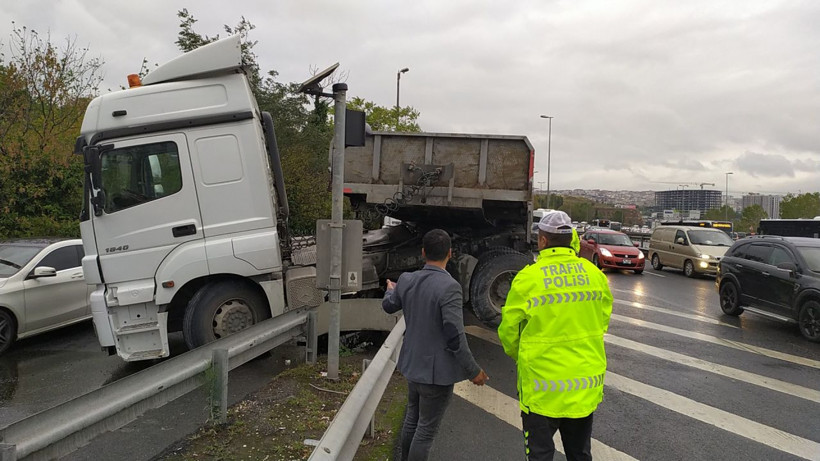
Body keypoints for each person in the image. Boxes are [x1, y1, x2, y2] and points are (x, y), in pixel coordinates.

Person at [498, 210, 613, 461]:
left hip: (541, 388)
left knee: (540, 455)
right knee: (580, 454)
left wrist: (522, 356)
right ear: (571, 236)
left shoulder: (528, 278)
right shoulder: (595, 276)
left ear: (542, 240)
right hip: (584, 385)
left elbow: (508, 332)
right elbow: (602, 321)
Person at [383, 228, 489, 461]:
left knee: (412, 418)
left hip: (412, 366)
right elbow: (454, 335)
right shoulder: (449, 287)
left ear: (423, 253)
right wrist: (474, 371)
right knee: (426, 429)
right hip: (436, 374)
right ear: (450, 253)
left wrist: (390, 290)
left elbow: (389, 305)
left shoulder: (407, 280)